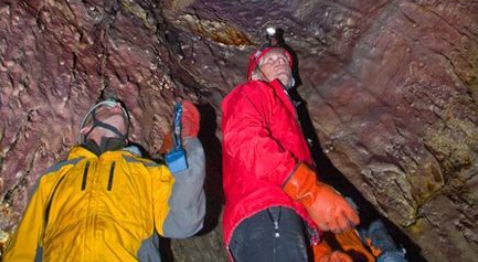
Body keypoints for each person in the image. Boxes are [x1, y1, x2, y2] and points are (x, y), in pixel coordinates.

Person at [3, 96, 206, 261]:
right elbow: (23, 247)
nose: (118, 105)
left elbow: (184, 221)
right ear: (85, 129)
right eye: (107, 106)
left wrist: (187, 142)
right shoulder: (54, 177)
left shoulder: (147, 171)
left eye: (119, 108)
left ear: (125, 138)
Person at [221, 31, 359, 262]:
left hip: (280, 219)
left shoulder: (289, 119)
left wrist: (321, 253)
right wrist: (310, 190)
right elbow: (243, 138)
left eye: (283, 60)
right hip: (264, 209)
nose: (280, 63)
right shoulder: (254, 91)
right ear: (255, 73)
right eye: (270, 60)